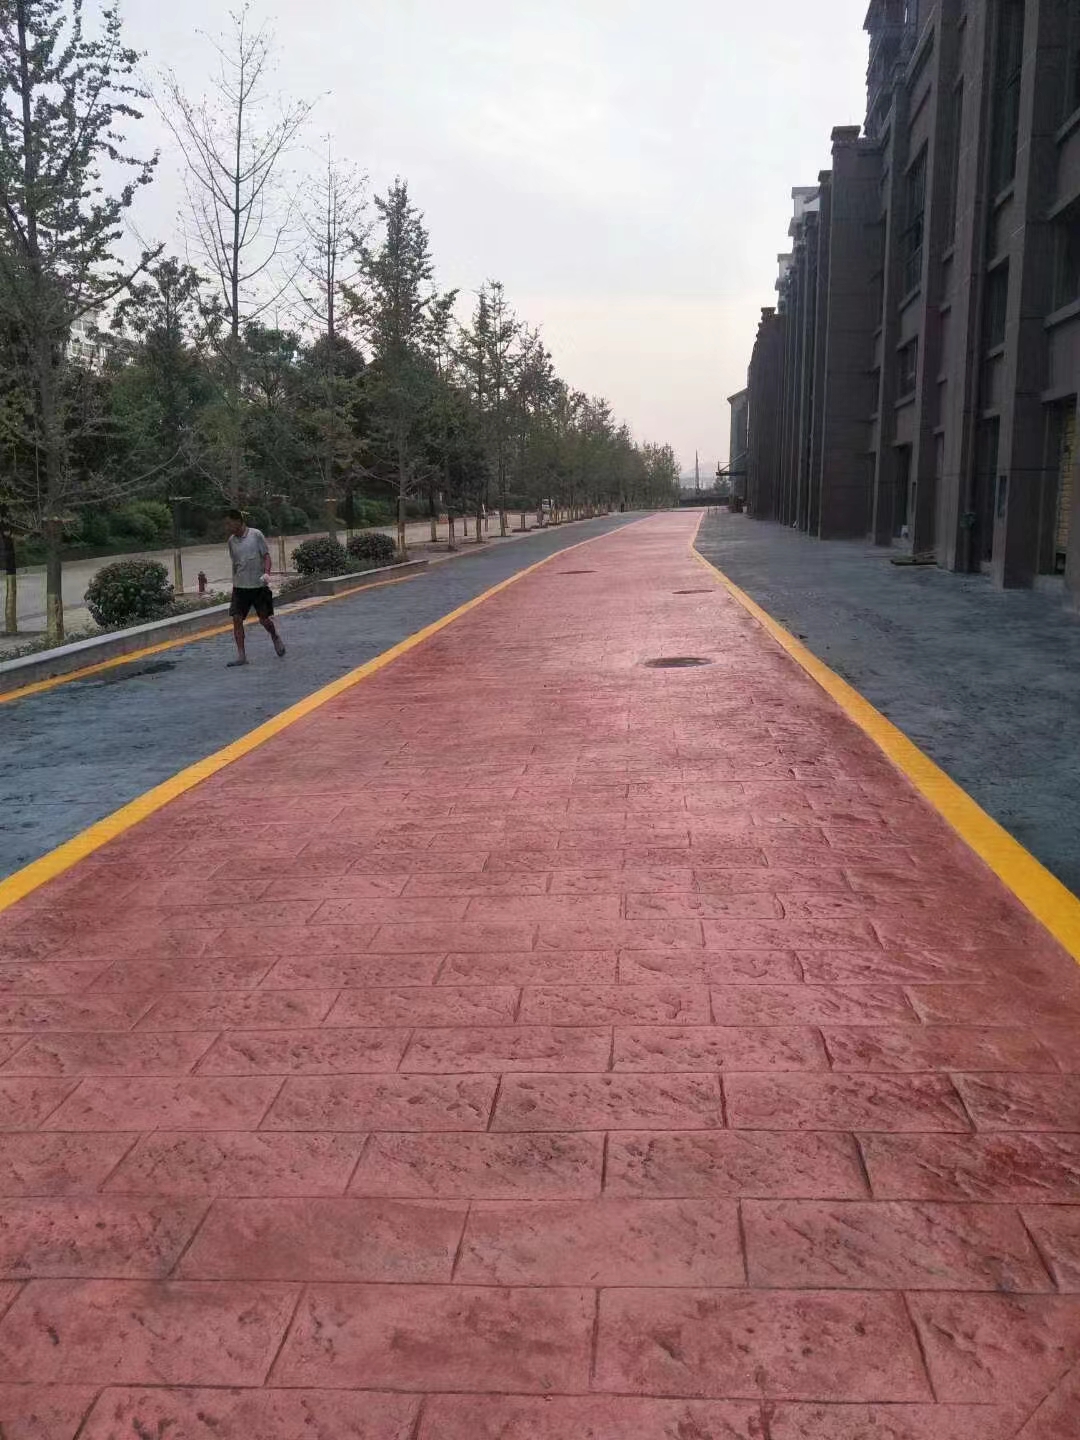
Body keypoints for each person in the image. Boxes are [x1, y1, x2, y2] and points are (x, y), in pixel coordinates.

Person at [224, 509, 286, 666]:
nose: (228, 527)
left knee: (264, 620)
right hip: (240, 587)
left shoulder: (256, 535)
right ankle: (241, 656)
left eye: (230, 523)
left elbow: (266, 556)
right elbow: (235, 563)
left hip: (258, 586)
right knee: (236, 618)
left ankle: (275, 636)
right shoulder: (231, 541)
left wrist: (267, 573)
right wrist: (234, 582)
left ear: (238, 521)